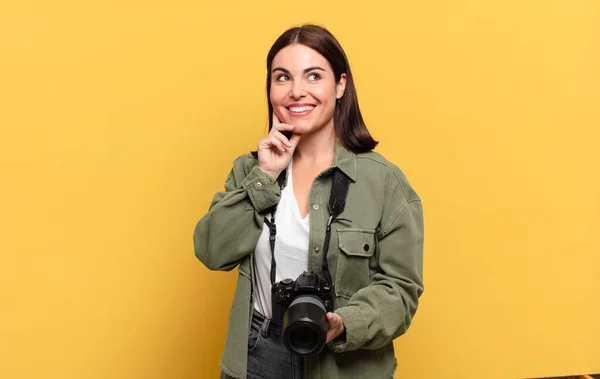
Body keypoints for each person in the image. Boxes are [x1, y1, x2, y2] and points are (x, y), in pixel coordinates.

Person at [194, 24, 424, 379]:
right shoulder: (250, 171)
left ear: (340, 85)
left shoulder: (384, 182)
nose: (296, 91)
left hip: (344, 364)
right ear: (270, 88)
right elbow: (211, 251)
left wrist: (345, 322)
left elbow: (401, 290)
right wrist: (265, 177)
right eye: (282, 77)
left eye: (313, 76)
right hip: (259, 354)